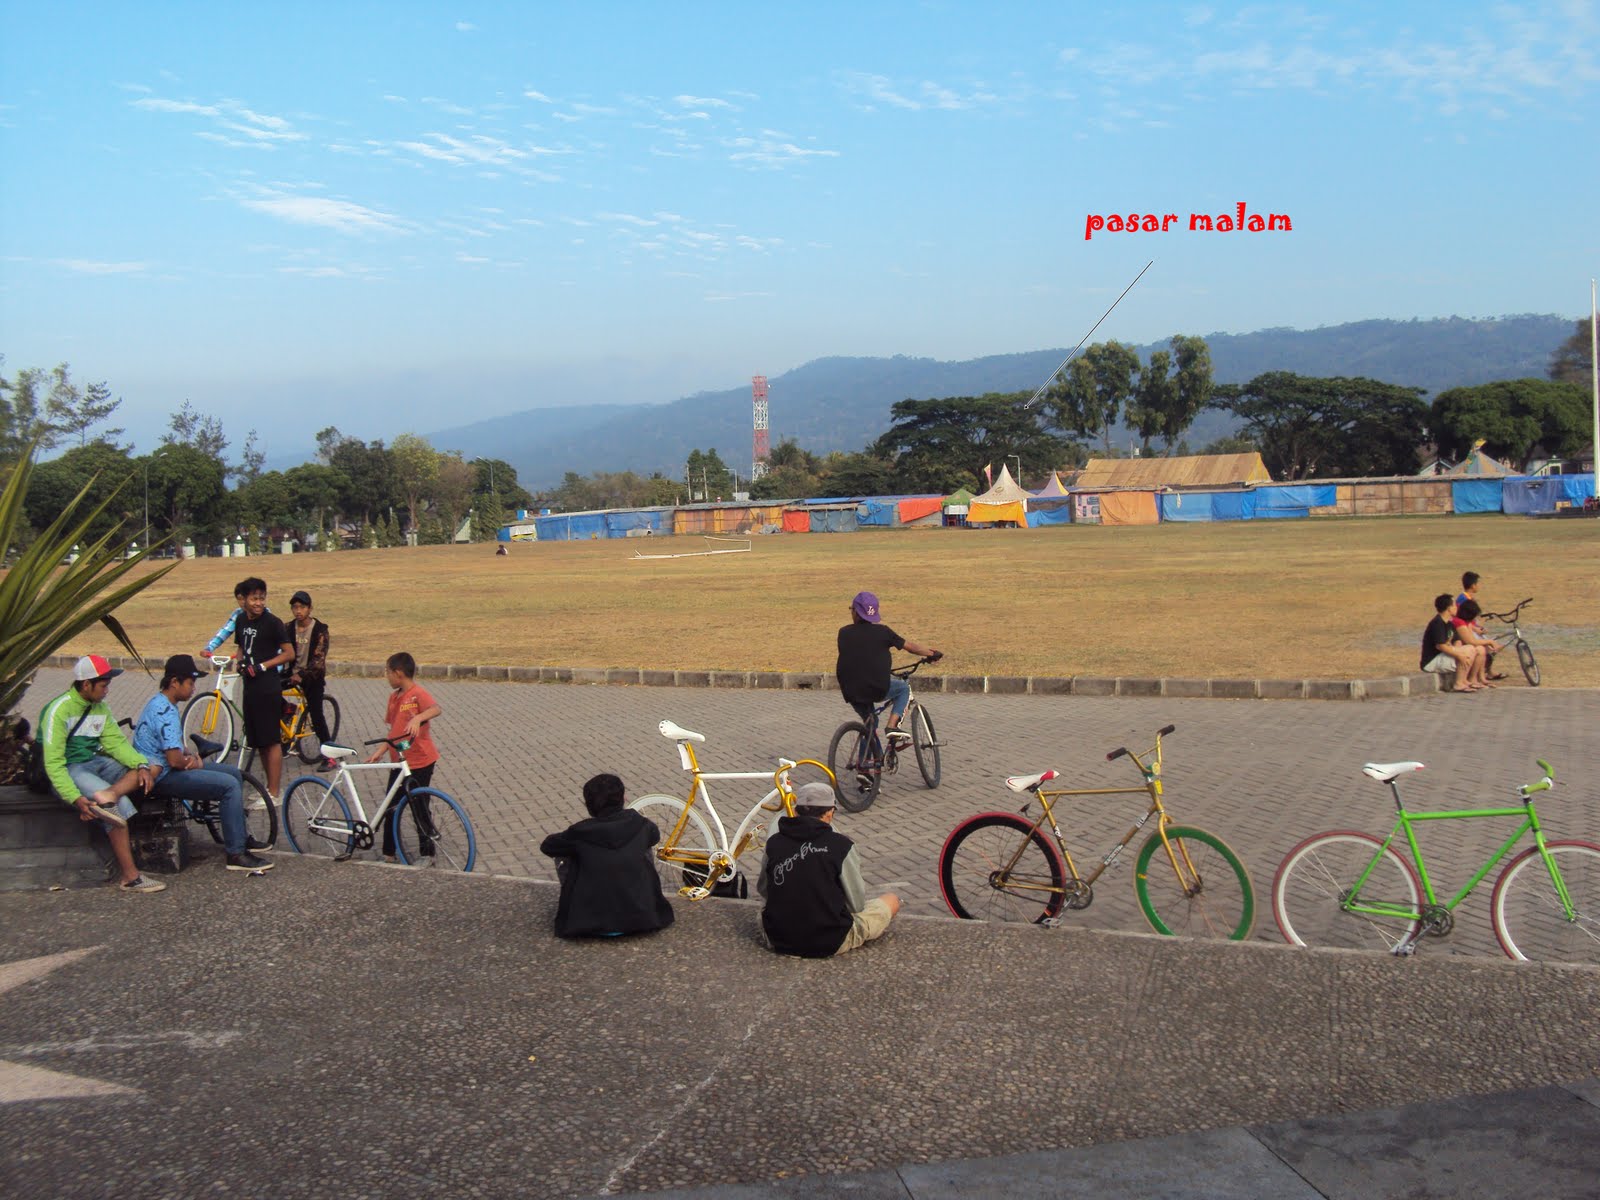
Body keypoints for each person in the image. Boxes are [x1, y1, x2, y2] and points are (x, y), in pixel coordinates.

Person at [132, 654, 274, 872]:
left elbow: (174, 747)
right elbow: (175, 760)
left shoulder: (162, 702)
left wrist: (189, 757)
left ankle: (241, 835)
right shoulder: (163, 711)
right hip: (161, 776)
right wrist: (195, 763)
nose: (193, 688)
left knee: (233, 773)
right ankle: (236, 853)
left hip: (168, 767)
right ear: (174, 682)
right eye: (190, 683)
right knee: (228, 786)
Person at [37, 654, 165, 892]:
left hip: (94, 762)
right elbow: (54, 764)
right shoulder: (59, 710)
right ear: (87, 685)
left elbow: (116, 743)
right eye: (103, 685)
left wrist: (141, 765)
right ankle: (130, 877)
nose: (107, 691)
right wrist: (75, 797)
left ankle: (109, 794)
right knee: (118, 809)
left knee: (154, 765)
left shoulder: (100, 707)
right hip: (70, 769)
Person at [757, 782, 901, 957]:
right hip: (829, 941)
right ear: (829, 813)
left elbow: (764, 890)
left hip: (778, 939)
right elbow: (856, 904)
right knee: (892, 900)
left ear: (796, 811)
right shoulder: (842, 846)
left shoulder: (775, 843)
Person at [538, 773, 675, 938]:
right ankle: (643, 901)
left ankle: (579, 906)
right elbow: (655, 836)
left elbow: (547, 846)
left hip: (587, 925)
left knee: (565, 852)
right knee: (643, 845)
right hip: (643, 920)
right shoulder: (641, 824)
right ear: (623, 798)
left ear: (589, 804)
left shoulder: (579, 832)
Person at [835, 591, 941, 746]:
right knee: (903, 689)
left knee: (870, 724)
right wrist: (931, 654)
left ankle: (867, 765)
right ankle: (892, 726)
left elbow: (857, 656)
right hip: (876, 686)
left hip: (850, 689)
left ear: (856, 612)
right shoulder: (884, 632)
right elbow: (910, 647)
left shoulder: (843, 633)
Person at [365, 652, 442, 861]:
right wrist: (380, 752)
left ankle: (427, 853)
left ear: (398, 673)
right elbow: (393, 731)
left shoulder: (418, 694)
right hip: (400, 763)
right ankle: (389, 852)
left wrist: (418, 717)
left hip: (421, 761)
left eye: (388, 672)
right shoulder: (394, 697)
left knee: (419, 806)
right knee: (391, 805)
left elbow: (435, 709)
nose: (386, 676)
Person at [232, 577, 296, 804]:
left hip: (268, 686)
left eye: (261, 598)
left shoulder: (273, 623)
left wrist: (263, 665)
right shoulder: (240, 620)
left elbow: (289, 653)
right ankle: (267, 788)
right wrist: (238, 663)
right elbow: (241, 647)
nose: (258, 603)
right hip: (249, 688)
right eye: (254, 598)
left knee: (271, 740)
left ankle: (274, 792)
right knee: (257, 740)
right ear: (244, 600)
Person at [285, 590, 335, 771]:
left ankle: (329, 755)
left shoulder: (320, 629)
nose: (298, 611)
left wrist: (302, 675)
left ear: (310, 608)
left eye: (302, 607)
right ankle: (287, 713)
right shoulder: (287, 628)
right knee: (268, 693)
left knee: (316, 714)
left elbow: (318, 659)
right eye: (295, 607)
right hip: (291, 673)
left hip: (312, 677)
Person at [1420, 594, 1483, 693]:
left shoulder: (1449, 623)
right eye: (1454, 605)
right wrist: (1458, 654)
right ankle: (1458, 683)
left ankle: (1464, 680)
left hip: (1444, 655)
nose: (1456, 607)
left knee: (1471, 649)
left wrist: (1458, 649)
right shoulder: (1437, 623)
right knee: (1468, 650)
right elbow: (1440, 646)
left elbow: (1457, 640)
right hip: (1432, 661)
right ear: (1449, 608)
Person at [1457, 572, 1506, 680]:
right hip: (1468, 629)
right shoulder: (1463, 599)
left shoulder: (1467, 597)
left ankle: (1487, 671)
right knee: (1488, 648)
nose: (1478, 586)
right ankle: (1483, 673)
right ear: (1473, 585)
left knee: (1491, 648)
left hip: (1472, 627)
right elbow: (1462, 617)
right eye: (1477, 583)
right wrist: (1475, 629)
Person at [1452, 599, 1504, 687]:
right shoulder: (1459, 622)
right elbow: (1470, 641)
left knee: (1481, 649)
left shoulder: (1465, 623)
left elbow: (1472, 639)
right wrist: (1489, 641)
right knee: (1480, 650)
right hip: (1459, 648)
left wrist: (1486, 643)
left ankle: (1478, 678)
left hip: (1465, 646)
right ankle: (1471, 679)